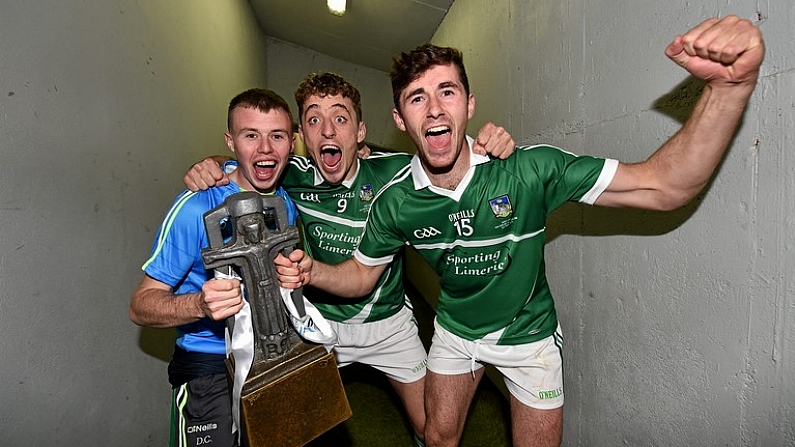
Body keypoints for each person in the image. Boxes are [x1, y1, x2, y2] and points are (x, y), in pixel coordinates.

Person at [274, 16, 765, 447]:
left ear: (469, 103)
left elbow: (666, 186)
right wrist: (312, 268)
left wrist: (729, 90)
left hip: (529, 336)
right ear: (402, 120)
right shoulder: (395, 202)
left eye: (447, 92)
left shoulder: (527, 171)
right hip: (455, 332)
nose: (436, 109)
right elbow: (361, 277)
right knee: (437, 436)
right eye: (417, 99)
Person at [183, 72, 515, 447]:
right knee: (297, 428)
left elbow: (451, 160)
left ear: (360, 133)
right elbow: (241, 163)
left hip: (390, 324)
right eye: (313, 120)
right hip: (323, 325)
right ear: (301, 140)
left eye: (340, 118)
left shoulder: (398, 171)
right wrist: (209, 165)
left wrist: (489, 144)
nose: (327, 131)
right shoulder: (289, 174)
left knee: (434, 432)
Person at [129, 88, 299, 447]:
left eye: (277, 136)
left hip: (269, 356)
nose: (265, 149)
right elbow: (141, 305)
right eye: (251, 135)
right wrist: (199, 306)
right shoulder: (195, 208)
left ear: (292, 142)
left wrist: (295, 276)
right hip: (208, 365)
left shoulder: (284, 201)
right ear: (231, 142)